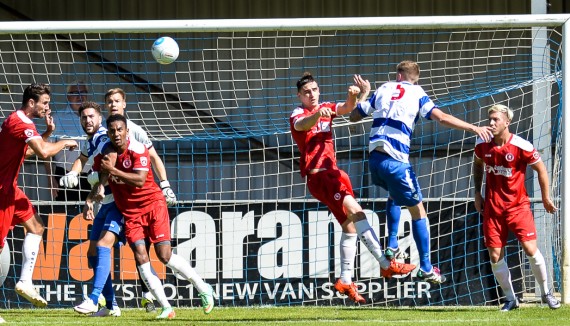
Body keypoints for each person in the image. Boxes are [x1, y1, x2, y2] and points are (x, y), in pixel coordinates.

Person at [350, 60, 493, 284]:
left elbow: (354, 117)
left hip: (374, 161)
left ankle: (392, 245)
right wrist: (474, 127)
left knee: (393, 196)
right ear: (415, 77)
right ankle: (426, 267)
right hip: (396, 160)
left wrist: (364, 94)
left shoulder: (383, 89)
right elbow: (441, 118)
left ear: (398, 75)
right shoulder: (417, 92)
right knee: (419, 212)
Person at [290, 72, 416, 304]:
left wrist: (358, 94)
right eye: (307, 92)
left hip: (334, 174)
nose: (312, 94)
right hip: (320, 177)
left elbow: (349, 108)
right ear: (300, 95)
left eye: (315, 90)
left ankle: (345, 279)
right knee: (357, 212)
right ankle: (386, 264)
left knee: (349, 227)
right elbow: (301, 124)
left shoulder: (327, 106)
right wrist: (318, 114)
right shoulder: (299, 113)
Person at [86, 114, 214, 319]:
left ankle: (203, 287)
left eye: (120, 129)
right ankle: (166, 307)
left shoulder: (138, 149)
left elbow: (139, 180)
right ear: (108, 133)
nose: (116, 134)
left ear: (127, 131)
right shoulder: (106, 153)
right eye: (112, 131)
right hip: (131, 213)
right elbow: (100, 175)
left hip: (153, 205)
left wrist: (113, 171)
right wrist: (94, 193)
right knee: (140, 256)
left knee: (164, 255)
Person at [472, 104, 560, 311]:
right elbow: (477, 165)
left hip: (518, 207)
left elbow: (541, 170)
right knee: (495, 256)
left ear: (507, 123)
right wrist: (478, 193)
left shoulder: (522, 146)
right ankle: (511, 299)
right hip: (493, 209)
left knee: (530, 249)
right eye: (490, 119)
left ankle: (547, 292)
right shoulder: (482, 143)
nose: (491, 123)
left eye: (496, 119)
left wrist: (546, 198)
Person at [0, 83, 77, 311]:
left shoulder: (19, 122)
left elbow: (30, 150)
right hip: (1, 191)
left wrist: (47, 134)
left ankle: (25, 281)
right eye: (45, 103)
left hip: (11, 190)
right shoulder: (22, 122)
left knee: (36, 226)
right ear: (31, 103)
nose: (47, 107)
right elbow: (43, 152)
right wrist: (63, 142)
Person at [44, 81, 92, 201]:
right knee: (65, 215)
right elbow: (46, 150)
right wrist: (51, 179)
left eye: (83, 92)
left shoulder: (97, 119)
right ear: (68, 96)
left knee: (91, 216)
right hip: (64, 174)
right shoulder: (57, 119)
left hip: (92, 177)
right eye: (75, 92)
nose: (80, 96)